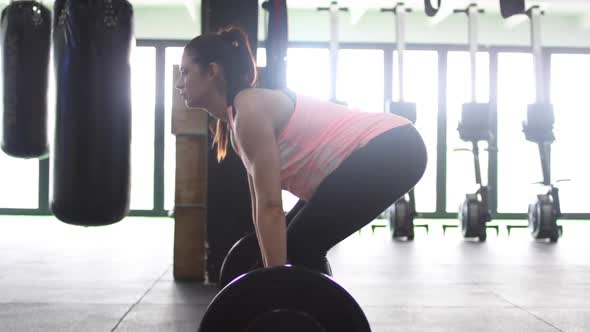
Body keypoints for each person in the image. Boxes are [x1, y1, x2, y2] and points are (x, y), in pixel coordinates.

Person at [175, 26, 427, 276]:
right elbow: (260, 209)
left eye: (185, 72)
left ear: (212, 71)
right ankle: (311, 309)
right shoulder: (236, 124)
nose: (179, 83)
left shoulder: (249, 111)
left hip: (392, 148)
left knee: (300, 246)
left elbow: (271, 207)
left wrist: (277, 284)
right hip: (381, 150)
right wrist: (267, 273)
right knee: (290, 242)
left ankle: (324, 315)